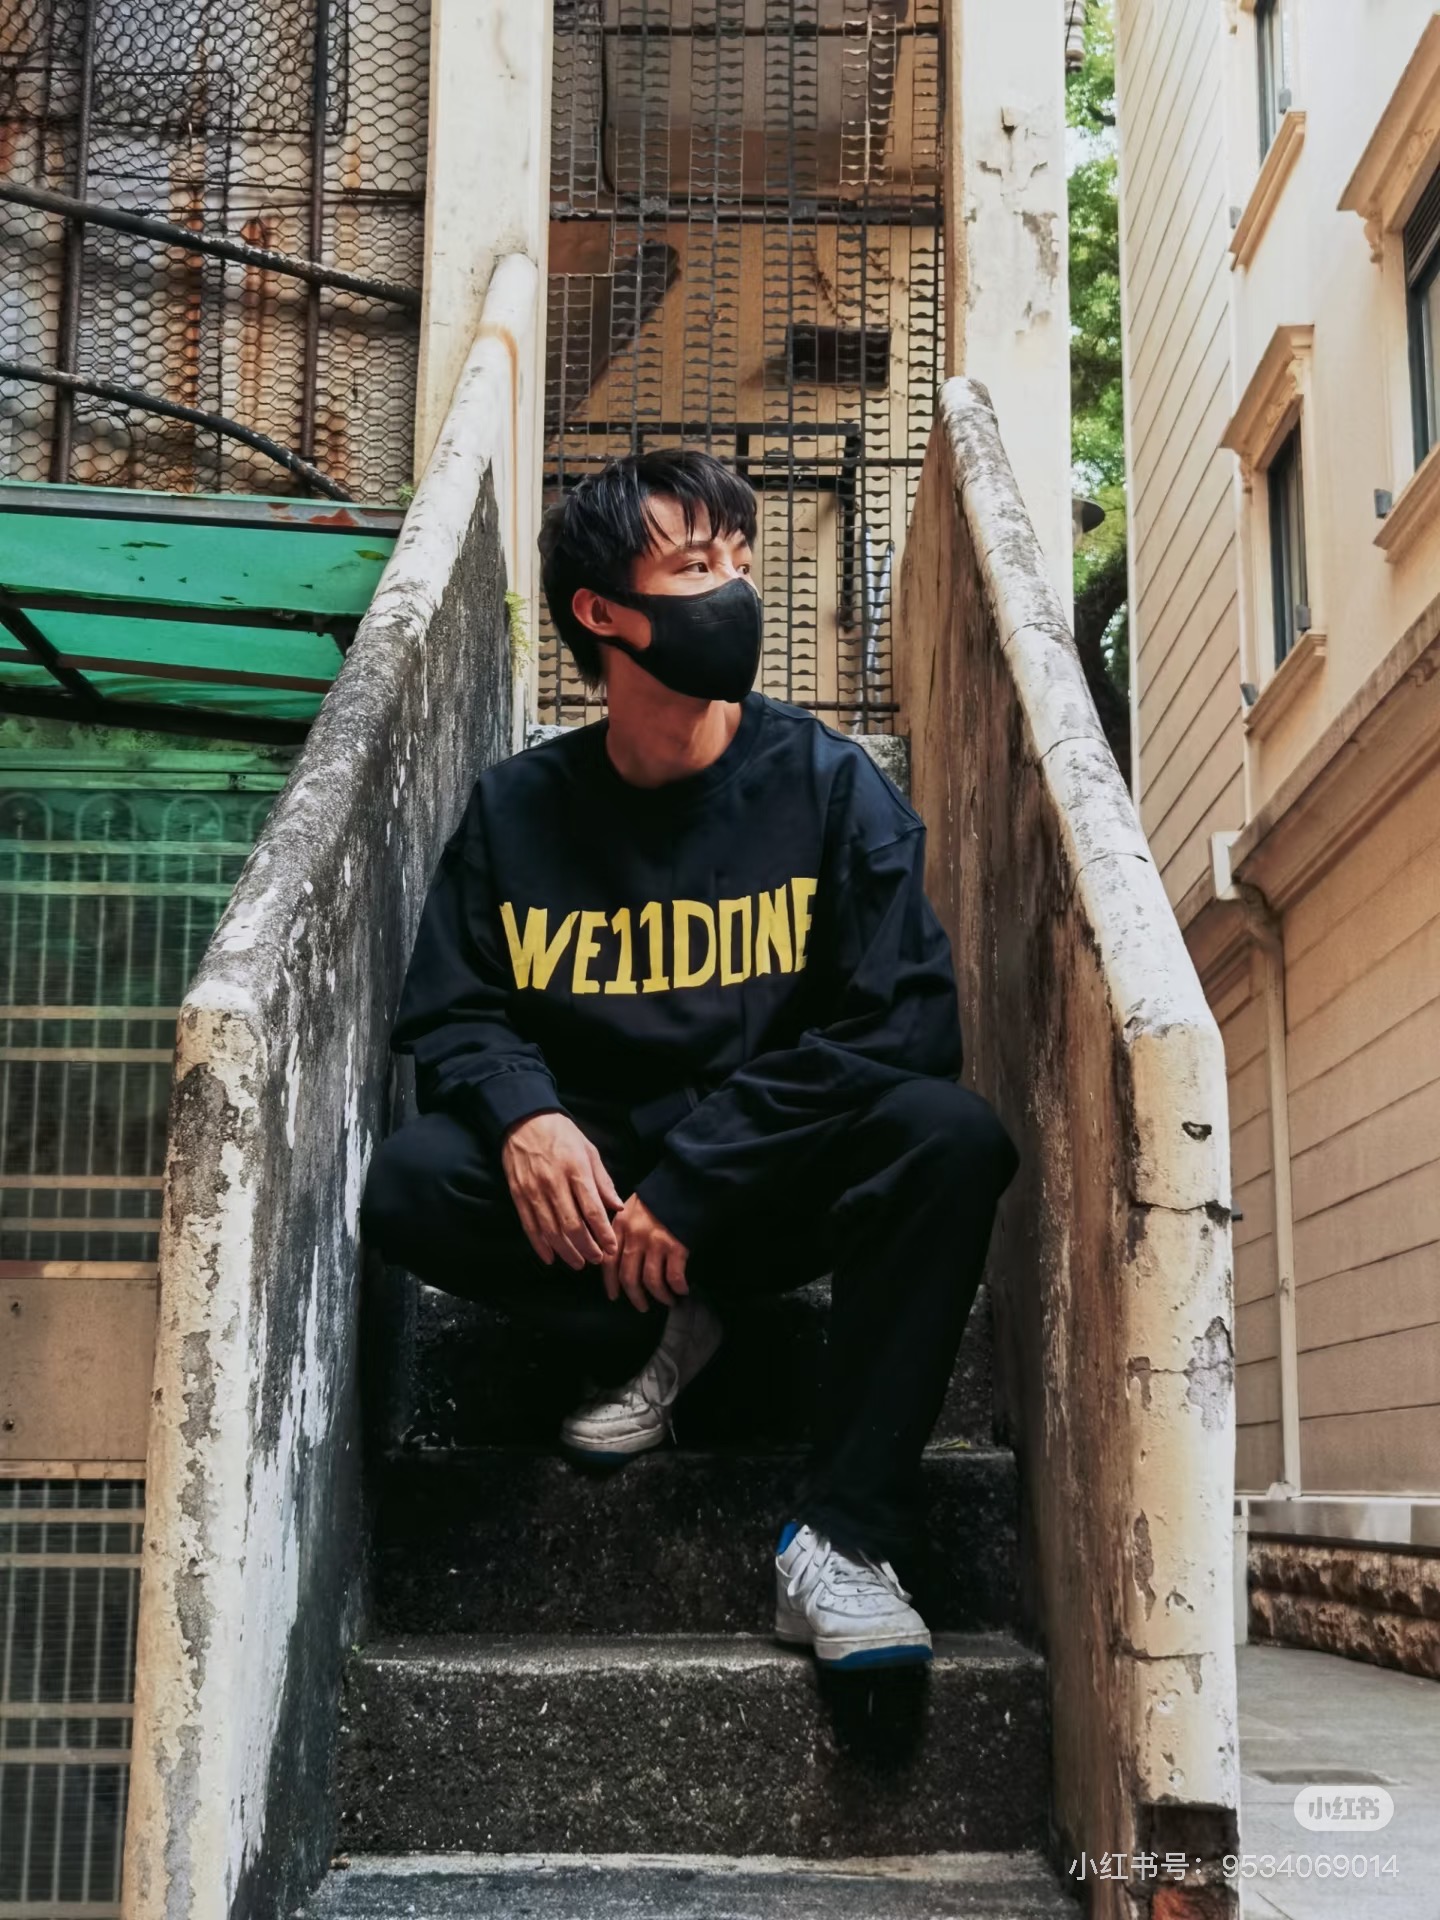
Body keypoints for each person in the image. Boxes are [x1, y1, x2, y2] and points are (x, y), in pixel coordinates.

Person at [360, 448, 1018, 1672]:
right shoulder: (516, 811)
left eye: (739, 560)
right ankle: (651, 1336)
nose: (737, 590)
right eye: (698, 565)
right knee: (409, 1182)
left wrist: (706, 1170)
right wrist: (524, 1115)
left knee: (951, 1136)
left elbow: (907, 1021)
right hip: (599, 1204)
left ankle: (844, 1540)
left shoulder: (829, 788)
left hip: (763, 1184)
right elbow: (452, 1013)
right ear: (604, 614)